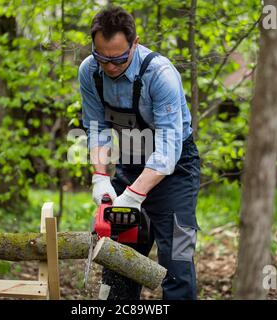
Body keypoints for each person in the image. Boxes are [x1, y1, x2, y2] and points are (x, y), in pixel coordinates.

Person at [78, 6, 201, 300]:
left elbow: (168, 150)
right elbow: (96, 128)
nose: (109, 66)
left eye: (118, 58)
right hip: (132, 162)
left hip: (176, 170)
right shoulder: (89, 72)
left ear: (135, 43)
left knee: (178, 259)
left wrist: (134, 197)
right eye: (102, 57)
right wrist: (100, 177)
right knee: (118, 256)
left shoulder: (160, 75)